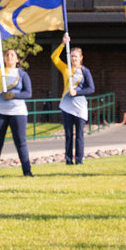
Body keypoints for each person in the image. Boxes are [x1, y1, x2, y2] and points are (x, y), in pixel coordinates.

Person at [0, 25, 34, 177]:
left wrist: (14, 96)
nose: (9, 57)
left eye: (12, 55)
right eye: (7, 55)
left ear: (17, 59)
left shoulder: (22, 74)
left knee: (21, 142)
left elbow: (28, 93)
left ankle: (27, 171)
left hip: (18, 112)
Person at [52, 33, 96, 165]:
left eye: (76, 56)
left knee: (80, 135)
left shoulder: (85, 71)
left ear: (81, 58)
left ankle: (79, 159)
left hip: (80, 106)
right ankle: (68, 160)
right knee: (69, 134)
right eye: (71, 56)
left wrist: (76, 92)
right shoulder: (66, 69)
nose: (74, 58)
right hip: (67, 105)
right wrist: (62, 44)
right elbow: (54, 57)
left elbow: (91, 89)